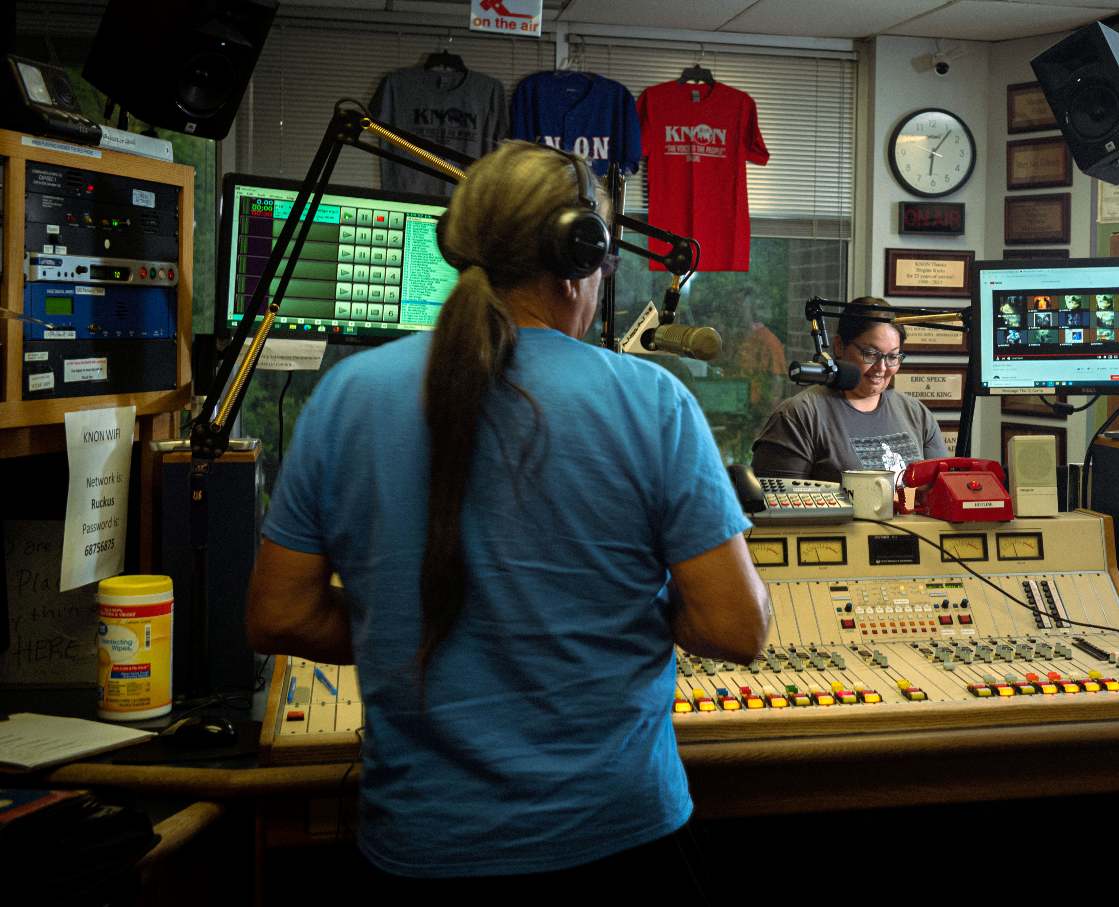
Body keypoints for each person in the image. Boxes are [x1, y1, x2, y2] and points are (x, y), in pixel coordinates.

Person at [245, 142, 770, 891]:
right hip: (617, 838)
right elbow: (734, 627)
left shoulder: (345, 397)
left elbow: (279, 617)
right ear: (580, 257)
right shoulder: (653, 403)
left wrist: (408, 630)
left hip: (419, 847)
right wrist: (620, 615)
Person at [750, 296, 947, 482]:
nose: (882, 368)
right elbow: (777, 509)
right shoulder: (799, 416)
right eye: (870, 354)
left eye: (893, 357)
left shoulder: (916, 414)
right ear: (839, 346)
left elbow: (939, 493)